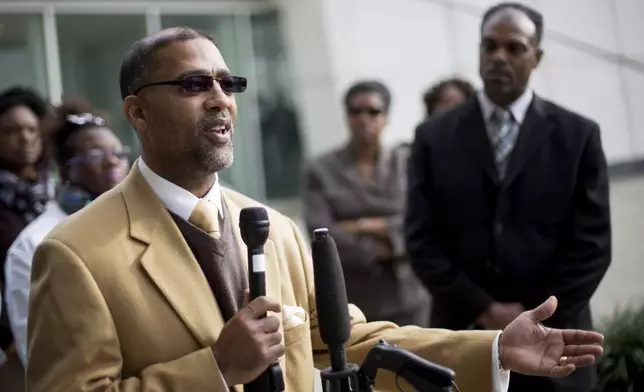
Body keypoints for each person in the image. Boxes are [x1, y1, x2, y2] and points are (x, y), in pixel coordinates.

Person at [27, 27, 604, 392]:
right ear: (137, 112)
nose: (221, 98)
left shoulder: (274, 230)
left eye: (228, 83)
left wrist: (497, 348)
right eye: (194, 84)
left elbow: (346, 341)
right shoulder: (76, 254)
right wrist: (217, 369)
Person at [406, 3, 611, 392]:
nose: (499, 56)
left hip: (555, 345)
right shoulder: (433, 137)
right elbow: (422, 241)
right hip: (463, 341)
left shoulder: (577, 136)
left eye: (514, 48)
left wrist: (534, 312)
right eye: (490, 46)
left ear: (537, 57)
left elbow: (593, 246)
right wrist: (484, 308)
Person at [4, 98, 130, 366]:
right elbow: (40, 355)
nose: (112, 163)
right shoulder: (33, 244)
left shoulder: (143, 221)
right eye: (96, 155)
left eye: (118, 153)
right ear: (65, 170)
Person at [304, 81, 430, 327]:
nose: (364, 119)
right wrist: (387, 243)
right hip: (353, 301)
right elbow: (320, 232)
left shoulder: (408, 163)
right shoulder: (320, 170)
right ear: (347, 116)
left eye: (373, 112)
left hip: (409, 299)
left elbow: (422, 223)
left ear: (386, 117)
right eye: (356, 111)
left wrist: (358, 225)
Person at [0, 86, 52, 390]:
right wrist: (6, 343)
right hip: (12, 349)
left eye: (32, 129)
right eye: (11, 131)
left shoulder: (57, 191)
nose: (25, 138)